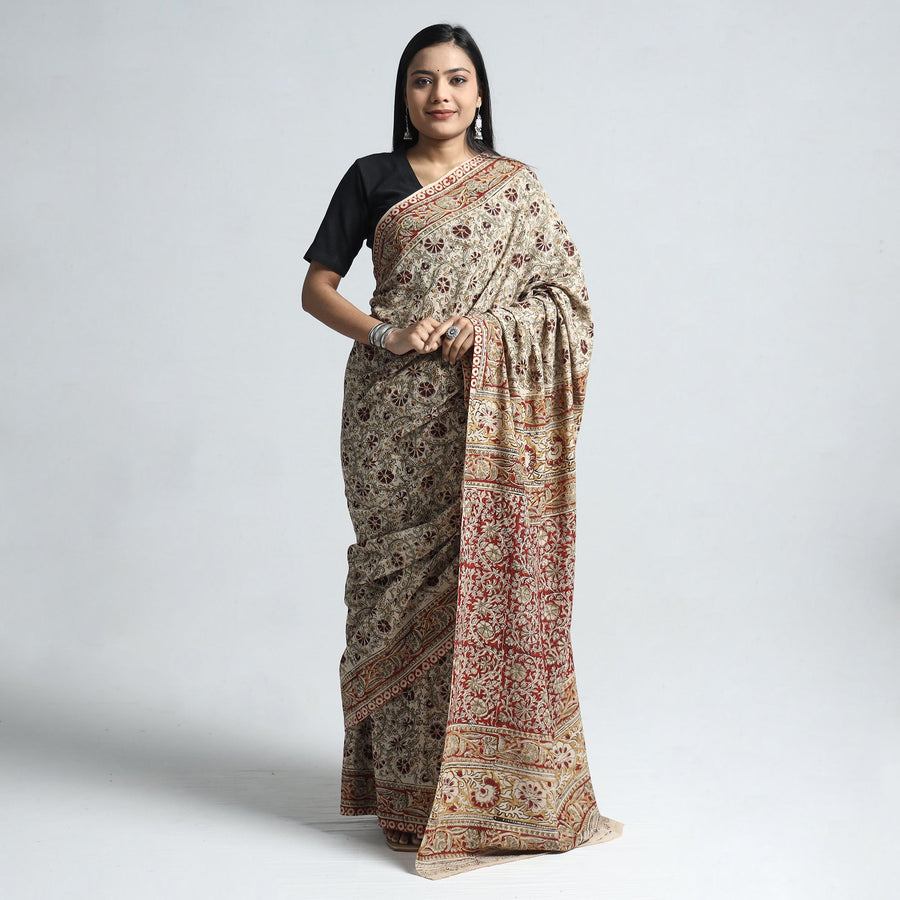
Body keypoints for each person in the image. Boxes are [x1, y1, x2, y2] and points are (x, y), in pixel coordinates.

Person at [301, 23, 623, 879]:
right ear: (404, 93)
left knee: (483, 582)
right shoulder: (370, 178)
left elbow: (567, 304)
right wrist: (387, 333)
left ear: (479, 93)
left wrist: (488, 329)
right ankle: (408, 799)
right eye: (422, 80)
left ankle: (497, 795)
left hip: (490, 415)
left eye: (455, 79)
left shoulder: (516, 187)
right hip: (391, 416)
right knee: (396, 587)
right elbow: (316, 289)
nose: (438, 95)